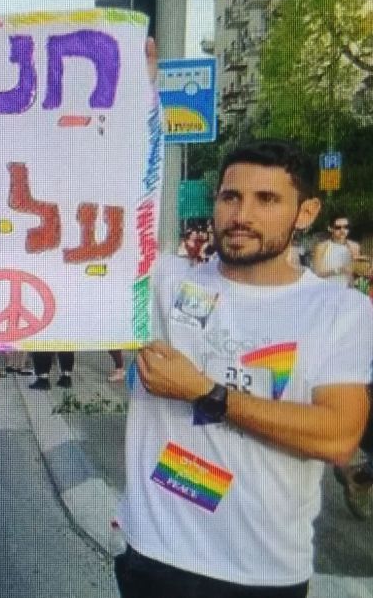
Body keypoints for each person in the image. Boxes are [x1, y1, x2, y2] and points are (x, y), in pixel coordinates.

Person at [117, 139, 373, 597]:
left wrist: (205, 392)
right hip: (154, 554)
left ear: (306, 211)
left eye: (267, 199)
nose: (242, 215)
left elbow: (338, 436)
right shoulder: (163, 282)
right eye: (230, 196)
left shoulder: (339, 310)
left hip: (260, 572)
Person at [312, 214, 362, 288]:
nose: (342, 230)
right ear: (330, 228)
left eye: (346, 227)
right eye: (338, 227)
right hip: (326, 289)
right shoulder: (322, 247)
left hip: (348, 290)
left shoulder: (354, 246)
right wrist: (339, 270)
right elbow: (317, 274)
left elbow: (357, 272)